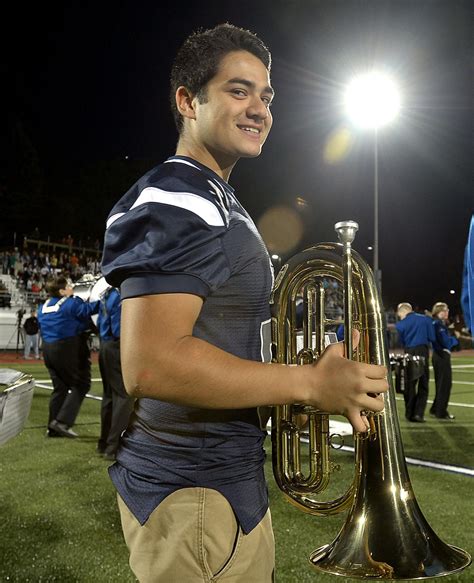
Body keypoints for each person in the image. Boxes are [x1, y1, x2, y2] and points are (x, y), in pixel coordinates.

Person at [101, 23, 388, 583]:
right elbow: (151, 362)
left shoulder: (217, 198)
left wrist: (319, 361)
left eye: (266, 95)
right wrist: (308, 385)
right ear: (188, 100)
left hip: (220, 491)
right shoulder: (179, 195)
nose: (259, 108)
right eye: (238, 90)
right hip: (194, 496)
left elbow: (227, 335)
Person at [37, 275, 99, 438]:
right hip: (64, 347)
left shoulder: (43, 306)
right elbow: (89, 310)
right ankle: (62, 422)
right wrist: (104, 297)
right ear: (62, 291)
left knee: (60, 387)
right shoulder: (70, 303)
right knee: (81, 384)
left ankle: (53, 427)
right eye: (69, 285)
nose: (72, 286)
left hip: (48, 349)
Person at [97, 284, 134, 461]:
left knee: (109, 397)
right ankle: (114, 447)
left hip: (105, 345)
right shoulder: (121, 294)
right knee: (123, 396)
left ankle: (104, 443)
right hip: (117, 345)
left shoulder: (107, 293)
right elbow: (121, 328)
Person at [395, 302, 435, 422]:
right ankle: (418, 414)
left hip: (408, 351)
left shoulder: (400, 324)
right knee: (423, 383)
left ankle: (409, 413)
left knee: (409, 384)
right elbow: (432, 338)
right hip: (422, 350)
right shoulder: (426, 319)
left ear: (402, 311)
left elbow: (401, 341)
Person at [430, 302, 459, 420]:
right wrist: (455, 338)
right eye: (444, 310)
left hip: (438, 355)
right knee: (445, 385)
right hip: (441, 355)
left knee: (441, 384)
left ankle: (435, 408)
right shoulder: (438, 324)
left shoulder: (438, 323)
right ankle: (441, 412)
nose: (447, 312)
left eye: (447, 310)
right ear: (438, 312)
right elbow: (446, 342)